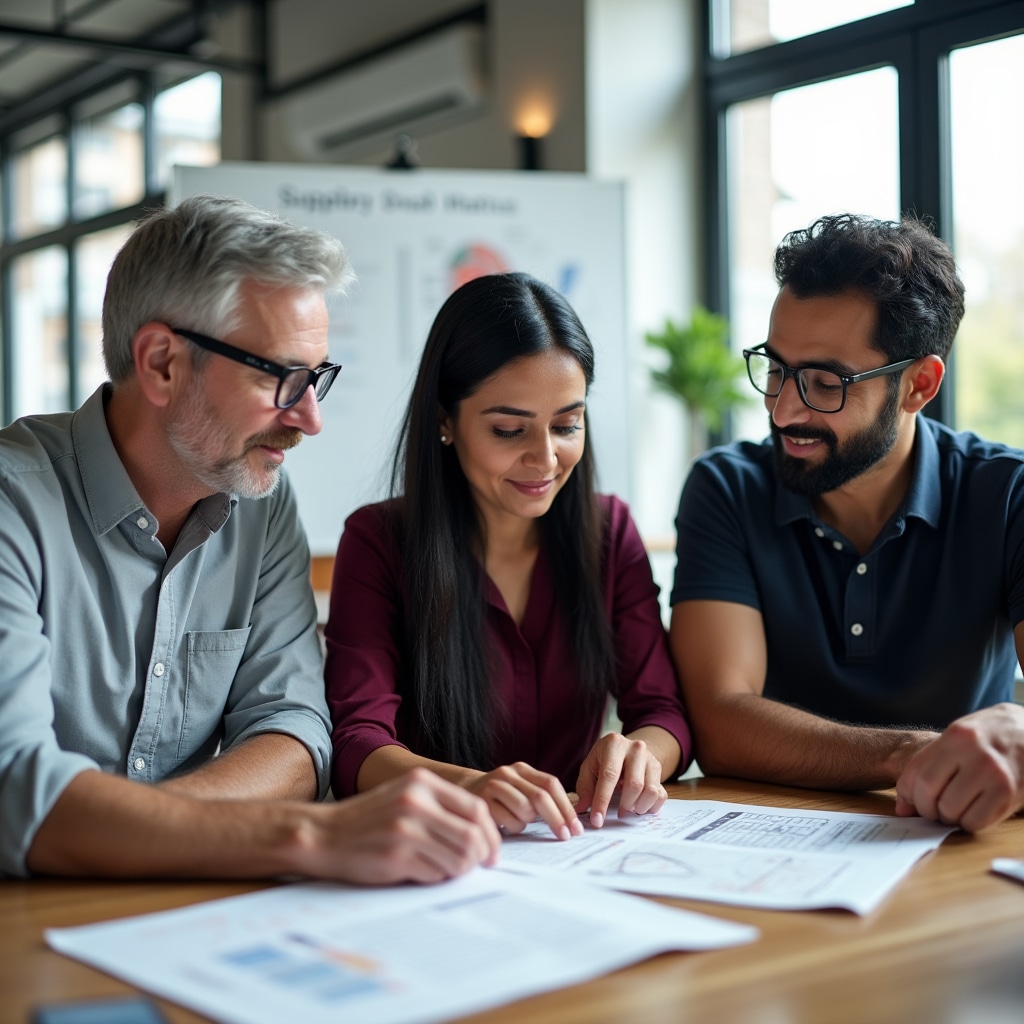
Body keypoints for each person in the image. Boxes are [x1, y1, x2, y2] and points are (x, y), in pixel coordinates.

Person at [0, 195, 499, 882]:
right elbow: (15, 792)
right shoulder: (12, 503)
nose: (310, 419)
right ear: (162, 364)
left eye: (317, 377)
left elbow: (294, 734)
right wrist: (306, 836)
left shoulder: (261, 503)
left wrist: (136, 833)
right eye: (283, 377)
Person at [670, 212, 1024, 833]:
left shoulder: (1008, 492)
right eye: (775, 369)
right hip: (761, 842)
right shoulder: (728, 487)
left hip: (961, 841)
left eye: (824, 383)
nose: (783, 411)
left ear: (919, 385)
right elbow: (720, 722)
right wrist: (912, 753)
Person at [325, 272, 691, 839]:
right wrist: (467, 785)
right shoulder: (378, 542)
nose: (545, 459)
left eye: (567, 424)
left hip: (578, 851)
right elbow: (356, 741)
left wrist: (641, 755)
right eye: (507, 430)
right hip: (439, 850)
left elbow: (664, 711)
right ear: (446, 422)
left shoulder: (609, 531)